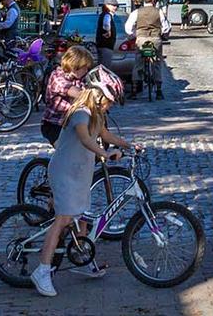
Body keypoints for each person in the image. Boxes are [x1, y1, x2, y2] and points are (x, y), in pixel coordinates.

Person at [32, 69, 137, 298]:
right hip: (64, 172)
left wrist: (129, 145)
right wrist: (105, 154)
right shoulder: (81, 112)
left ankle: (82, 259)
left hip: (80, 172)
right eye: (109, 100)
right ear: (98, 94)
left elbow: (106, 136)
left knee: (82, 218)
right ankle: (42, 271)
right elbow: (86, 139)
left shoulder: (96, 114)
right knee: (62, 221)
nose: (110, 105)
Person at [41, 45, 95, 146]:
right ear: (75, 66)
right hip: (55, 124)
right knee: (65, 151)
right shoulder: (57, 76)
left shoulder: (80, 77)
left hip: (72, 122)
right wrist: (93, 96)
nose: (86, 70)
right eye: (84, 67)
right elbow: (75, 92)